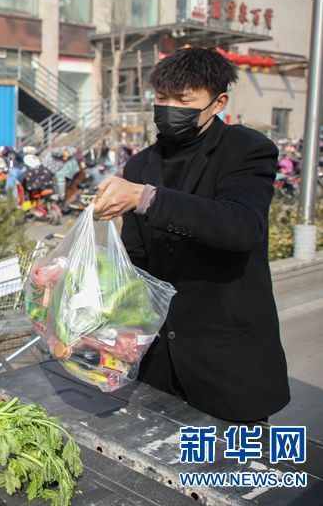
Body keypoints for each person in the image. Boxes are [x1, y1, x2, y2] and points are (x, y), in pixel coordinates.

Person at [92, 46, 289, 423]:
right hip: (160, 366)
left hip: (227, 361)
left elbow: (241, 226)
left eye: (183, 100)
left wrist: (146, 198)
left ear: (218, 103)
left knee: (234, 473)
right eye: (162, 99)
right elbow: (138, 263)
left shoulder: (246, 150)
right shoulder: (141, 163)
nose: (170, 109)